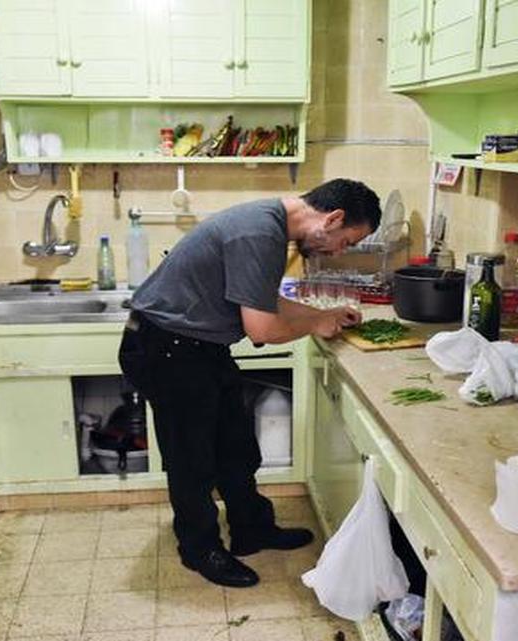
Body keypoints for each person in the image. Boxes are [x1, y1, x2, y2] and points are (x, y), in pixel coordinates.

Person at [118, 178, 381, 588]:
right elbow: (262, 327)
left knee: (236, 447)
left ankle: (251, 528)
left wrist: (321, 312)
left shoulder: (269, 226)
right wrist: (316, 322)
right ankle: (198, 548)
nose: (339, 251)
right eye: (347, 241)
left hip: (197, 347)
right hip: (166, 349)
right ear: (333, 218)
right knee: (192, 460)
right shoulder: (260, 231)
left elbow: (263, 299)